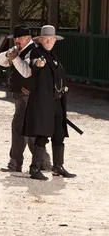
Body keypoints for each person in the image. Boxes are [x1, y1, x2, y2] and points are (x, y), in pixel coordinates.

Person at [23, 25, 76, 180]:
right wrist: (37, 65)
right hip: (43, 101)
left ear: (54, 40)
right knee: (42, 134)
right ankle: (34, 168)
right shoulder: (37, 52)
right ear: (40, 40)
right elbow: (33, 63)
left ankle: (58, 166)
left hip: (57, 101)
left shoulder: (53, 55)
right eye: (45, 38)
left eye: (51, 38)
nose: (48, 40)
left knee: (59, 134)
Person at [0, 24, 51, 173]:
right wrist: (9, 55)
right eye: (16, 38)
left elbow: (27, 73)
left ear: (28, 38)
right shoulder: (18, 50)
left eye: (20, 37)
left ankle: (16, 164)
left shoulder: (33, 52)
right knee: (29, 131)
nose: (17, 40)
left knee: (20, 128)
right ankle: (43, 162)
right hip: (21, 95)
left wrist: (15, 59)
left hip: (29, 95)